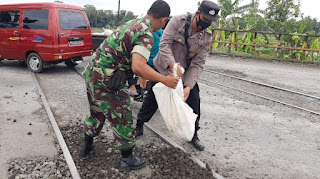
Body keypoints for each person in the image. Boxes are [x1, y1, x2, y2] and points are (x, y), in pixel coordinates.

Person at [79, 0, 179, 171]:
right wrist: (164, 79)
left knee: (97, 112)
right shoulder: (146, 34)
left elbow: (125, 54)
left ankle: (87, 146)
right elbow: (138, 65)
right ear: (163, 20)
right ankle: (127, 159)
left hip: (93, 73)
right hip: (108, 80)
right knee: (123, 116)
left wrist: (136, 74)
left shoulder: (134, 23)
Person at [135, 0, 220, 151]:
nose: (206, 23)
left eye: (210, 21)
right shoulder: (177, 21)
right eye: (205, 19)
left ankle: (193, 135)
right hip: (163, 67)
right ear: (198, 13)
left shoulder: (206, 37)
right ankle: (139, 124)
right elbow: (164, 44)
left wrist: (188, 86)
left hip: (184, 73)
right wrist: (172, 64)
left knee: (194, 102)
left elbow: (198, 63)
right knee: (152, 99)